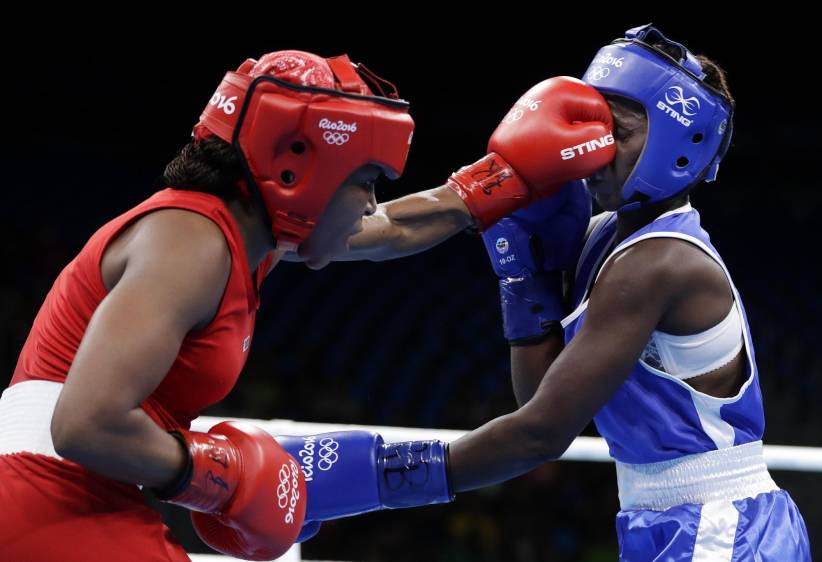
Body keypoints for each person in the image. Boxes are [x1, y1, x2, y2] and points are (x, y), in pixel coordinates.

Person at [0, 47, 613, 561]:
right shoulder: (190, 244)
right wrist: (223, 478)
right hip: (48, 495)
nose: (371, 205)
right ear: (299, 173)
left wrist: (493, 183)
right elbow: (84, 424)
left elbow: (390, 232)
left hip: (85, 493)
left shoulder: (244, 237)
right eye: (365, 182)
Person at [276, 24, 812, 561]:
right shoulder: (602, 237)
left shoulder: (659, 263)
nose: (597, 149)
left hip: (723, 526)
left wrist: (374, 478)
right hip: (670, 519)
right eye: (594, 125)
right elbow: (536, 397)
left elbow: (542, 433)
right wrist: (523, 278)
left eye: (618, 132)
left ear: (679, 146)